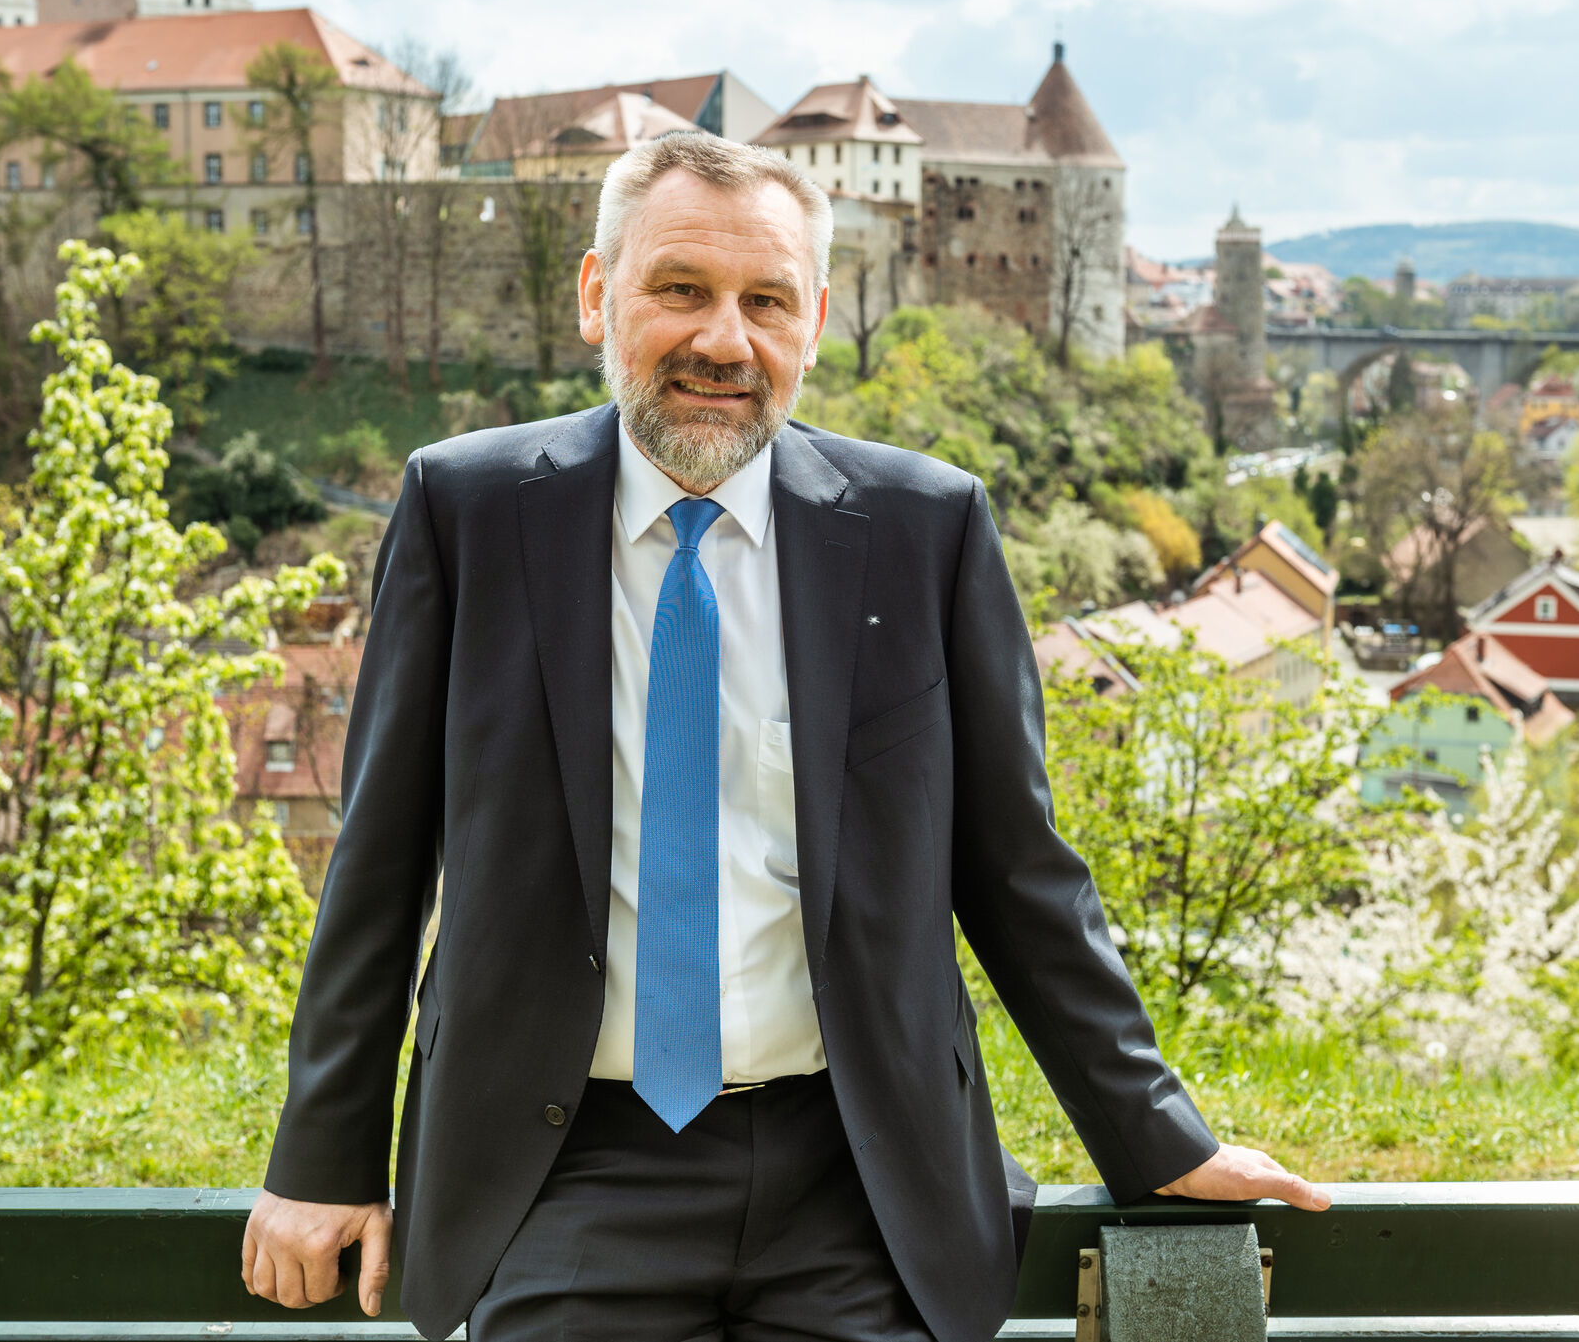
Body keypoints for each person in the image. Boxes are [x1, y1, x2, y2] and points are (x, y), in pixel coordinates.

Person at [243, 132, 1326, 1342]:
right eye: (681, 290)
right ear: (599, 292)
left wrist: (1156, 1132)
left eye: (765, 301)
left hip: (857, 1177)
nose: (724, 340)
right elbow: (380, 859)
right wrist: (323, 1153)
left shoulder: (927, 528)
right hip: (566, 1169)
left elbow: (1018, 871)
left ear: (814, 319)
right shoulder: (468, 510)